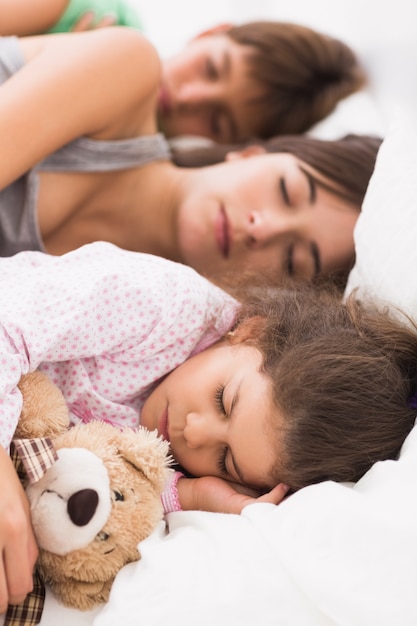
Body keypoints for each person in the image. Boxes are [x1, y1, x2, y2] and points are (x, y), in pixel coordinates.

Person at [1, 242, 417, 610]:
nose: (192, 434)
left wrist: (196, 495)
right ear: (252, 332)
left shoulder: (182, 466)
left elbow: (125, 492)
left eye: (225, 459)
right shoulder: (160, 303)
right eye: (223, 400)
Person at [0, 27, 380, 283]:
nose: (262, 227)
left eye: (292, 260)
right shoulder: (126, 69)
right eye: (285, 190)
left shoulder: (136, 335)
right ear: (250, 152)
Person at [0, 4, 366, 142]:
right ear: (211, 32)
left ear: (232, 146)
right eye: (211, 68)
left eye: (217, 120)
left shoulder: (131, 173)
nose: (188, 98)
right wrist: (45, 55)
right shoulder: (101, 19)